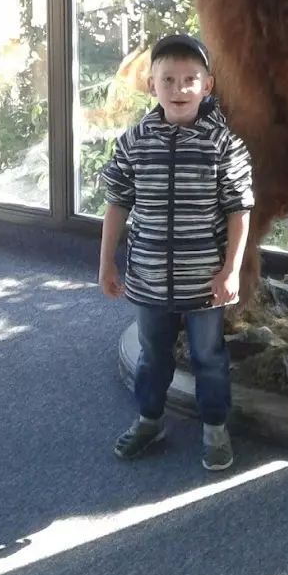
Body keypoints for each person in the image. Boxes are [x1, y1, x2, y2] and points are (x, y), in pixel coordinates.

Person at [98, 32, 253, 470]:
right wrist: (107, 261)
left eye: (189, 79)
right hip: (147, 276)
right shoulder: (133, 142)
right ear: (152, 84)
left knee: (208, 356)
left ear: (207, 85)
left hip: (204, 280)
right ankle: (149, 419)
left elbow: (238, 211)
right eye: (168, 79)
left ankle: (215, 428)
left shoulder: (224, 146)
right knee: (153, 354)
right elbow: (117, 204)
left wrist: (231, 270)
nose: (179, 88)